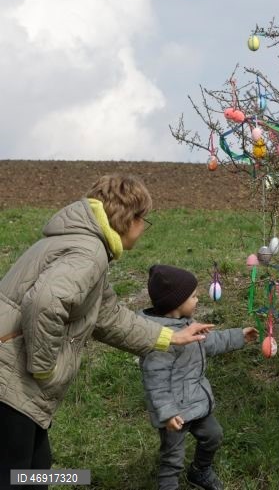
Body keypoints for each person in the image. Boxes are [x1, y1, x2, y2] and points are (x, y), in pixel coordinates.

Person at [0, 175, 213, 490]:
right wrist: (44, 368)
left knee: (36, 470)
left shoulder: (80, 245)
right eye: (145, 220)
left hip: (15, 387)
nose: (143, 229)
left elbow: (108, 316)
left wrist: (171, 337)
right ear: (131, 219)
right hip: (11, 386)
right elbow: (45, 303)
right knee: (17, 478)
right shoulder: (88, 253)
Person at [140, 264, 257, 490]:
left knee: (213, 435)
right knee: (172, 459)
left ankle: (200, 471)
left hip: (196, 403)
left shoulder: (188, 326)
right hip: (174, 414)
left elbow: (211, 342)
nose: (197, 300)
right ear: (176, 302)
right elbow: (155, 381)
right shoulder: (160, 340)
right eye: (193, 296)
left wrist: (239, 336)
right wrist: (167, 413)